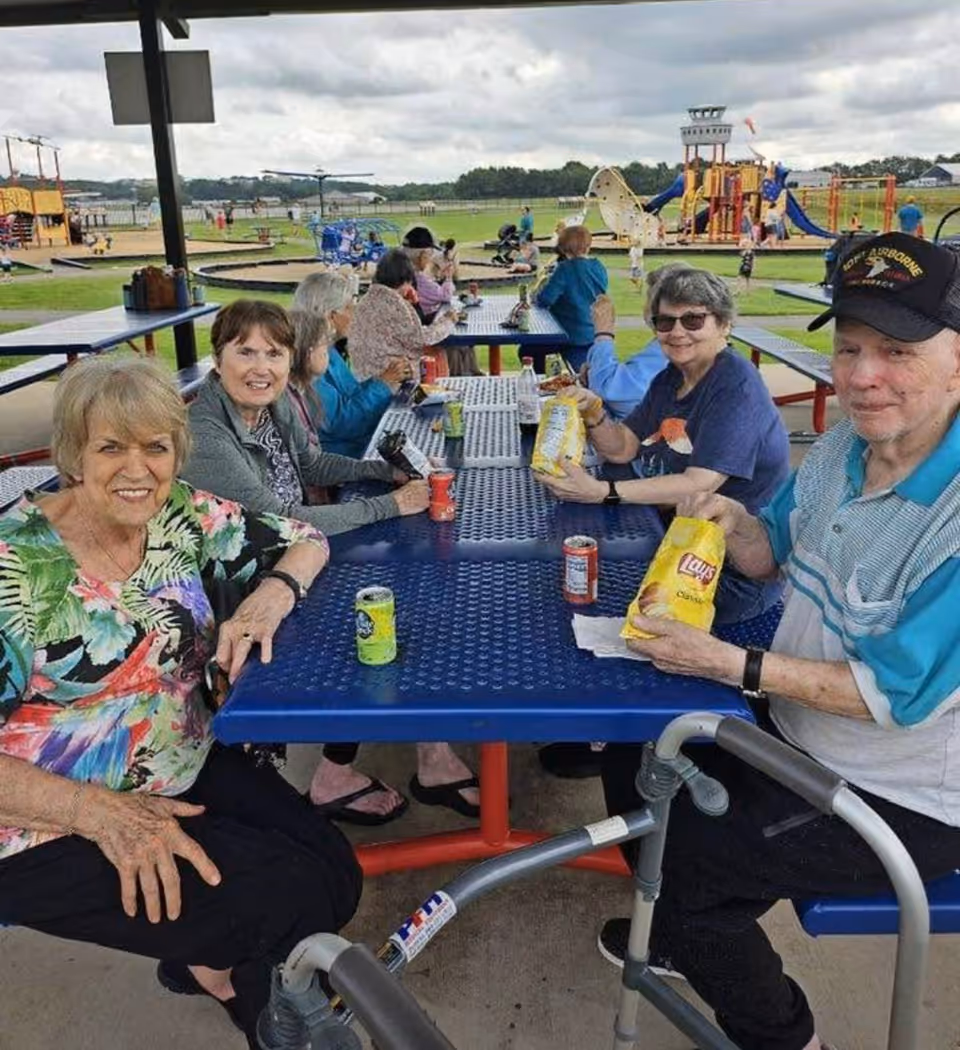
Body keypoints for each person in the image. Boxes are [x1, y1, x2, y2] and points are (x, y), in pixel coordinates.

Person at [597, 231, 960, 1050]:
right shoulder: (843, 446)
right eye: (852, 346)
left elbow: (890, 696)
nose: (864, 376)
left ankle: (784, 1034)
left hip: (904, 793)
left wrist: (729, 662)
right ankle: (703, 932)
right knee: (631, 758)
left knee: (683, 870)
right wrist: (733, 526)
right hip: (796, 733)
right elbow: (776, 552)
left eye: (898, 350)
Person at [0, 355, 361, 1050]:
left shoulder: (179, 516)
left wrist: (268, 598)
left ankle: (212, 969)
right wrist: (101, 814)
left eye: (155, 447)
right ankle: (273, 1019)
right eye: (111, 447)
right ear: (73, 454)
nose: (137, 469)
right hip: (45, 821)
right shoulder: (18, 566)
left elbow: (305, 540)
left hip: (177, 758)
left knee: (334, 869)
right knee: (285, 902)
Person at [534, 265, 788, 626]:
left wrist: (601, 492)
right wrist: (594, 412)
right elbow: (623, 446)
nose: (677, 332)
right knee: (565, 582)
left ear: (724, 324)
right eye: (665, 322)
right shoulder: (671, 378)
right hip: (674, 540)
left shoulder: (736, 386)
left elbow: (700, 483)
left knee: (587, 601)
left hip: (729, 572)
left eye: (694, 320)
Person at [180, 299, 429, 536]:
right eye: (246, 353)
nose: (261, 368)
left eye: (274, 354)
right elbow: (278, 520)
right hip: (259, 566)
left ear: (289, 359)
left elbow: (311, 465)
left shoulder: (274, 403)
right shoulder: (204, 436)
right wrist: (392, 504)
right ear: (217, 361)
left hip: (300, 545)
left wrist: (385, 471)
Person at [292, 271, 408, 459]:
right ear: (330, 316)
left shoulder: (328, 351)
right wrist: (383, 385)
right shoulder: (309, 361)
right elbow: (342, 423)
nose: (356, 313)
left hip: (359, 446)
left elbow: (349, 395)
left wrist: (385, 379)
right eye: (350, 307)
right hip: (343, 460)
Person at [348, 248, 456, 381]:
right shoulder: (394, 303)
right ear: (405, 279)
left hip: (364, 374)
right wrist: (448, 321)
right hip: (389, 378)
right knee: (437, 354)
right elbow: (421, 339)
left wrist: (409, 303)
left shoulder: (367, 299)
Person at [532, 224, 609, 373]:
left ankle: (543, 388)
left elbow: (545, 299)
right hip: (594, 331)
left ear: (563, 247)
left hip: (569, 334)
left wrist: (535, 294)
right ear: (588, 245)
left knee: (528, 351)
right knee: (591, 376)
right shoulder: (598, 266)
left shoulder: (564, 269)